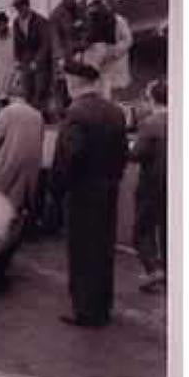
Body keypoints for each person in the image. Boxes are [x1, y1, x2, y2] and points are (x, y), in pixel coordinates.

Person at [52, 55, 127, 328]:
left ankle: (85, 310)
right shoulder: (115, 111)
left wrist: (58, 189)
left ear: (75, 82)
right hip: (109, 188)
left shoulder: (76, 113)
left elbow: (70, 156)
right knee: (103, 249)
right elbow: (122, 155)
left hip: (83, 192)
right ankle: (103, 306)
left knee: (82, 251)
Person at [130, 78, 167, 293]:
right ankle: (170, 271)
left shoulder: (151, 123)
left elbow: (136, 154)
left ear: (151, 98)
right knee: (168, 228)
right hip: (173, 184)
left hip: (151, 183)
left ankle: (153, 269)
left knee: (142, 229)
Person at [0, 74, 44, 219]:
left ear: (10, 96)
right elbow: (41, 138)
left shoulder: (6, 112)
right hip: (32, 161)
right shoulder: (37, 114)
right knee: (25, 196)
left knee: (5, 197)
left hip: (10, 160)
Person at [11, 0, 53, 113]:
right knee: (27, 90)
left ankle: (41, 115)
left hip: (40, 61)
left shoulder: (40, 21)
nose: (18, 11)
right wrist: (17, 59)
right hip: (25, 61)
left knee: (40, 90)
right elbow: (16, 42)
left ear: (27, 6)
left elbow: (46, 43)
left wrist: (38, 61)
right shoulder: (16, 22)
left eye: (20, 8)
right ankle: (30, 116)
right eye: (17, 8)